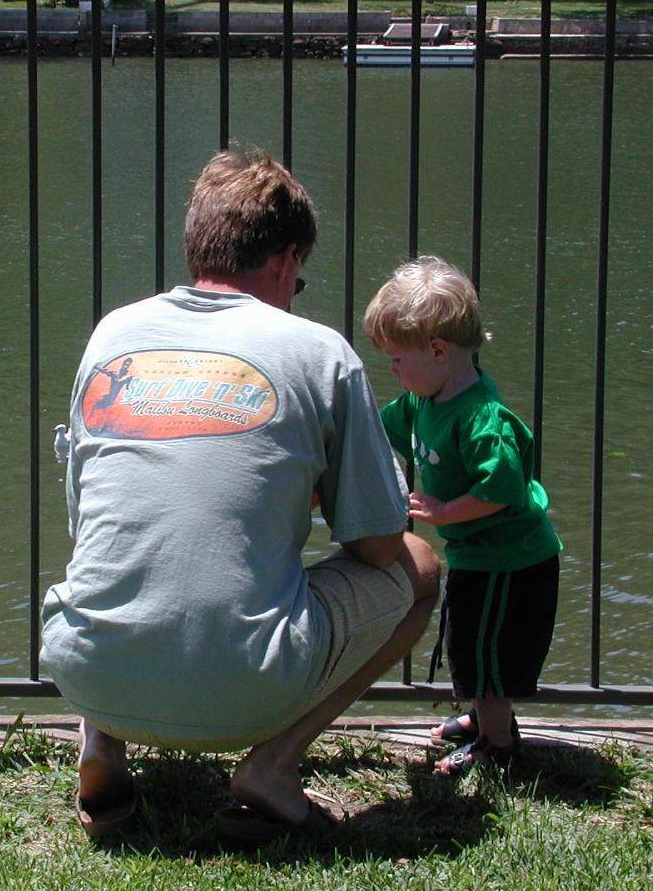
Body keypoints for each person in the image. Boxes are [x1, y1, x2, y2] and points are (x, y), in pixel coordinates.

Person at [40, 148, 440, 842]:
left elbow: (88, 515)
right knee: (423, 568)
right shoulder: (319, 353)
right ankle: (274, 766)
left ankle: (102, 746)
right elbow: (378, 547)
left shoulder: (113, 334)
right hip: (247, 691)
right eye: (299, 277)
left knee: (122, 542)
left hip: (86, 667)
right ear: (285, 261)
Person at [363, 256, 562, 777]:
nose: (392, 371)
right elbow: (374, 427)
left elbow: (503, 485)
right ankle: (482, 721)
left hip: (510, 562)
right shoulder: (424, 399)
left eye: (396, 359)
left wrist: (447, 510)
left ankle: (498, 748)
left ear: (437, 350)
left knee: (485, 657)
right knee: (469, 644)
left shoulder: (478, 417)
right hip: (478, 554)